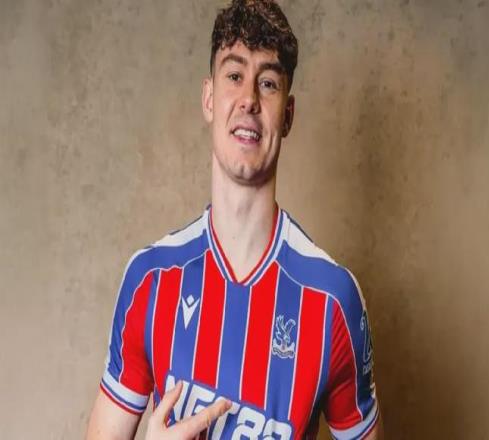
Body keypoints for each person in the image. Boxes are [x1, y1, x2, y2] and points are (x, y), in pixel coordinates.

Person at [86, 0, 382, 439]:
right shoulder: (150, 279)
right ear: (209, 98)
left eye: (268, 83)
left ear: (287, 115)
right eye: (234, 75)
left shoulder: (333, 300)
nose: (249, 100)